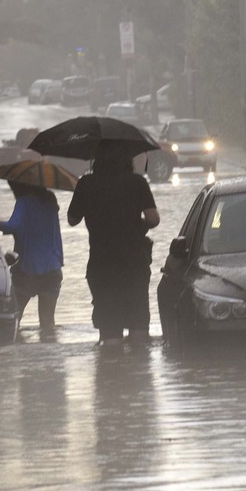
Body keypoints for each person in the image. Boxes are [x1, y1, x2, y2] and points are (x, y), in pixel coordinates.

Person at [67, 141, 160, 345]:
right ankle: (138, 371)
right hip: (134, 263)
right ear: (127, 158)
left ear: (97, 159)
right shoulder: (137, 182)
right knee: (138, 328)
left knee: (110, 331)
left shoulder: (86, 183)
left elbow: (72, 220)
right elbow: (153, 219)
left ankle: (111, 371)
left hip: (102, 265)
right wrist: (134, 222)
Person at [0, 182, 64, 337]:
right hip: (52, 268)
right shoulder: (51, 201)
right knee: (48, 325)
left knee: (14, 320)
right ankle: (50, 358)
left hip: (27, 270)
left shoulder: (23, 202)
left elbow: (12, 226)